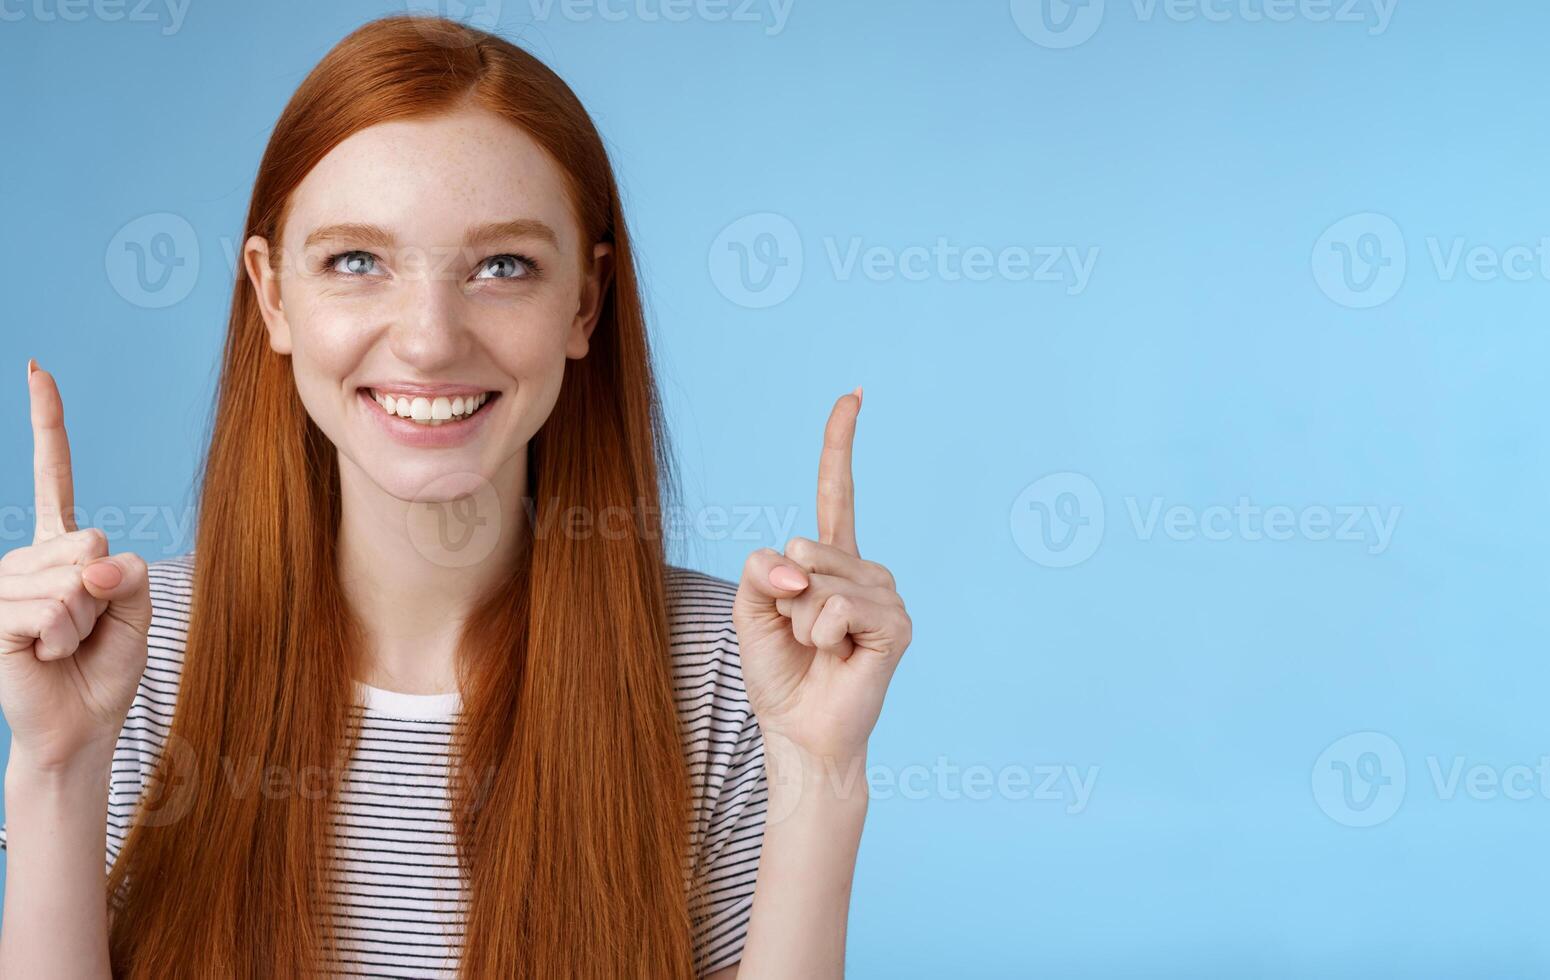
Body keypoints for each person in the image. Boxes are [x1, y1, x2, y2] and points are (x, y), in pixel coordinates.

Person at [0, 15, 911, 979]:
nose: (430, 340)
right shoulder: (130, 661)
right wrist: (56, 770)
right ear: (272, 298)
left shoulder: (728, 671)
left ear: (585, 304)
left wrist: (821, 774)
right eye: (357, 261)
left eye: (502, 266)